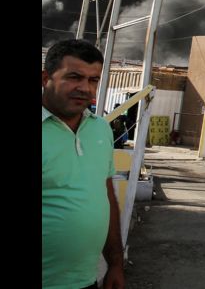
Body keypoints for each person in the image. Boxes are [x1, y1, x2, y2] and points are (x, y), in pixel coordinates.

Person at [42, 39, 125, 289]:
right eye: (74, 77)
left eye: (93, 80)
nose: (85, 88)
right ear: (46, 78)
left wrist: (116, 263)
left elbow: (106, 194)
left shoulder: (100, 128)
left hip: (85, 280)